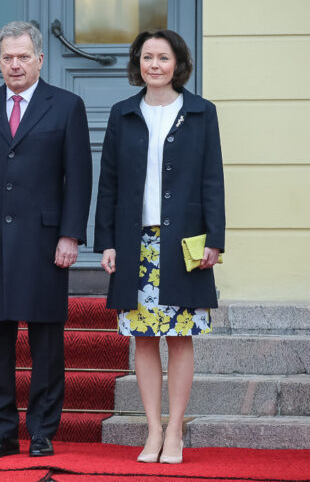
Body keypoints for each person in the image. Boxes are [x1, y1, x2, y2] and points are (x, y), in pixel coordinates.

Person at [0, 21, 92, 458]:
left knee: (46, 341)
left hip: (46, 240)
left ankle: (43, 431)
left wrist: (70, 234)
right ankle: (2, 433)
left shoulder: (67, 105)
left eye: (23, 56)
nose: (15, 64)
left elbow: (79, 178)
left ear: (40, 59)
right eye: (7, 57)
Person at [94, 29, 225, 464]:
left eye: (163, 58)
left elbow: (212, 181)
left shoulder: (201, 113)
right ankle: (152, 431)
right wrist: (106, 242)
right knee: (144, 338)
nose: (154, 65)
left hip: (183, 243)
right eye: (147, 57)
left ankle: (175, 431)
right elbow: (108, 183)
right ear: (138, 64)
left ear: (177, 64)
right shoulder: (123, 114)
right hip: (136, 243)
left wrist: (215, 240)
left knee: (181, 337)